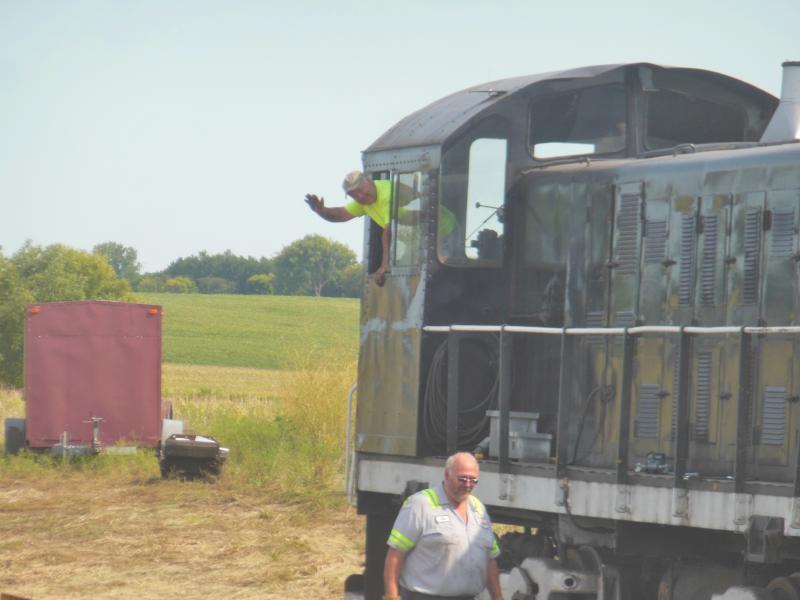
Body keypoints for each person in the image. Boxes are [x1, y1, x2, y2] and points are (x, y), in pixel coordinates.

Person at [383, 452, 503, 600]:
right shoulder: (420, 505)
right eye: (462, 479)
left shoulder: (479, 509)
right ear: (447, 475)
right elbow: (396, 554)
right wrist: (391, 596)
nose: (467, 485)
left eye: (473, 480)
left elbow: (490, 560)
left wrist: (498, 598)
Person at [305, 171, 391, 285]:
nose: (360, 196)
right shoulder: (364, 202)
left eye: (360, 190)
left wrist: (384, 266)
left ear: (368, 181)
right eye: (354, 195)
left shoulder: (386, 194)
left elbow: (389, 231)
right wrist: (320, 210)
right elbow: (341, 214)